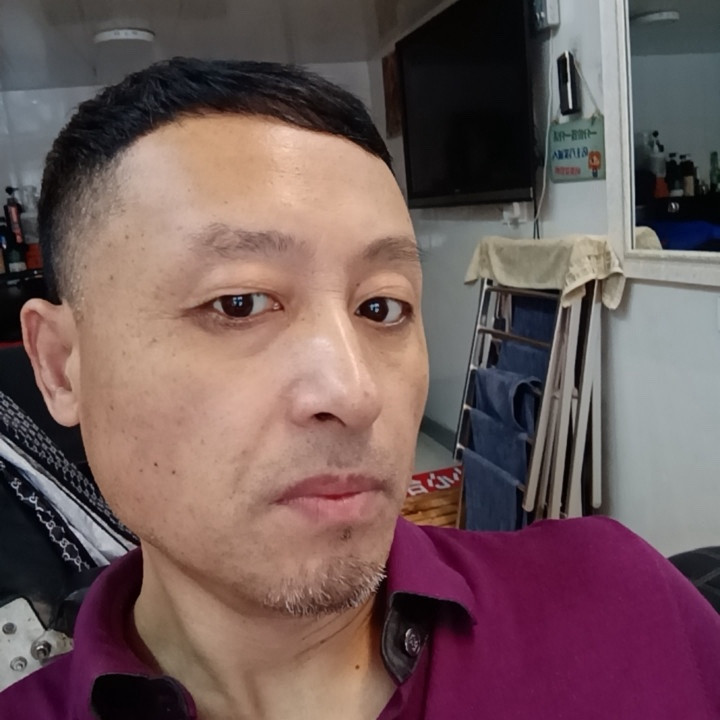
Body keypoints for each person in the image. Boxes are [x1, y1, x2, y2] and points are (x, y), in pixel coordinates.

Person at [1, 58, 719, 720]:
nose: (355, 392)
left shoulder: (622, 605)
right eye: (239, 303)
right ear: (61, 365)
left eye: (381, 307)